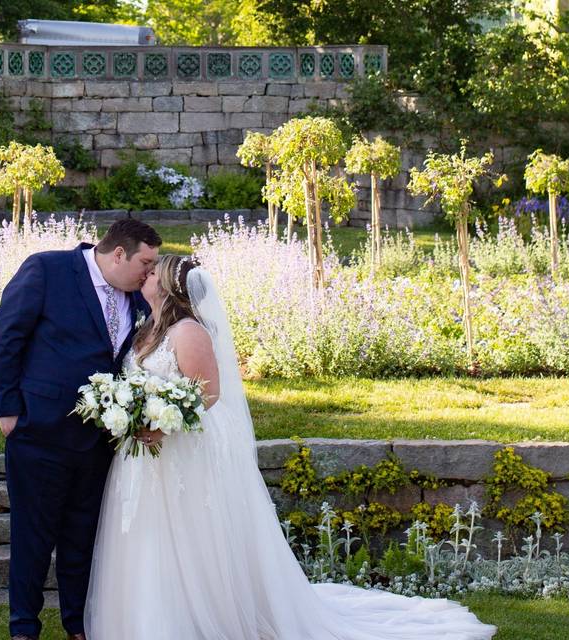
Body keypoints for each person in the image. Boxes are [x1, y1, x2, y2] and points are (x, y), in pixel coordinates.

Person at [84, 254, 498, 640]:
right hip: (142, 458)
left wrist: (163, 423)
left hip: (176, 453)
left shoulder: (187, 332)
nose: (147, 275)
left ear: (170, 286)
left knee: (182, 542)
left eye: (155, 272)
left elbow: (206, 395)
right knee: (147, 538)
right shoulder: (146, 327)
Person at [0, 219, 161, 640]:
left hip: (100, 440)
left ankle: (77, 625)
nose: (149, 273)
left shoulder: (138, 298)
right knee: (32, 536)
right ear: (118, 253)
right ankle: (23, 627)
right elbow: (6, 336)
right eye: (145, 262)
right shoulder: (46, 270)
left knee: (82, 538)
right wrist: (8, 411)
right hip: (40, 430)